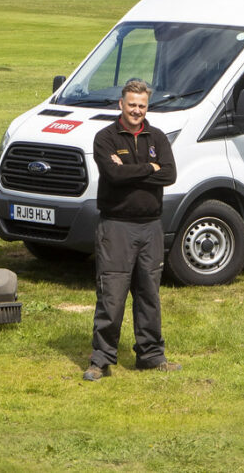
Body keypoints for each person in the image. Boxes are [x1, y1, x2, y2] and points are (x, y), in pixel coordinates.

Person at [85, 78, 181, 380]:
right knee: (112, 296)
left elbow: (170, 174)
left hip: (151, 227)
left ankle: (151, 355)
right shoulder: (105, 138)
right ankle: (100, 359)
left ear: (146, 106)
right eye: (132, 105)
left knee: (149, 294)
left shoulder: (158, 137)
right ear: (121, 105)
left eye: (141, 105)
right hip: (116, 228)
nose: (137, 111)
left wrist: (133, 172)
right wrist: (148, 169)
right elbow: (113, 174)